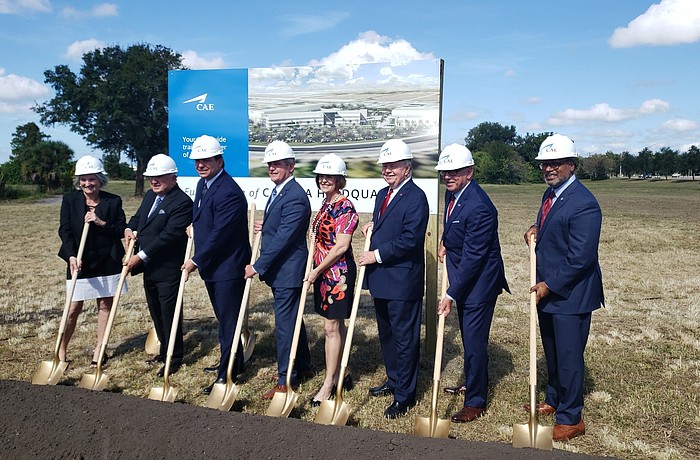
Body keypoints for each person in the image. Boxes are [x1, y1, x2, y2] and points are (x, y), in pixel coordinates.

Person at [523, 133, 604, 442]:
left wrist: (550, 284)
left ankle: (572, 418)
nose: (548, 169)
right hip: (548, 290)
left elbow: (581, 257)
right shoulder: (551, 194)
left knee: (569, 357)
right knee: (553, 351)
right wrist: (536, 229)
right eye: (544, 164)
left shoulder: (584, 203)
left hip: (571, 294)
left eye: (555, 163)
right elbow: (554, 228)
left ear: (572, 164)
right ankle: (554, 399)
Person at [434, 144, 510, 423]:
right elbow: (453, 224)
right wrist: (445, 240)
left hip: (480, 283)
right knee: (468, 337)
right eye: (444, 172)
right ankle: (471, 381)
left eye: (454, 171)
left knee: (475, 342)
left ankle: (476, 400)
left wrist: (450, 294)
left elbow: (474, 257)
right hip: (464, 275)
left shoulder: (480, 207)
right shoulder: (453, 193)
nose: (448, 176)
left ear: (469, 172)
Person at [358, 139, 429, 419]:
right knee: (387, 335)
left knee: (404, 339)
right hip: (382, 281)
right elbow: (390, 225)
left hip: (402, 282)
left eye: (394, 165)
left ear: (407, 168)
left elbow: (411, 239)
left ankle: (405, 395)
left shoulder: (416, 197)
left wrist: (376, 255)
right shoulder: (382, 195)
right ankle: (394, 380)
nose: (388, 170)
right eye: (385, 165)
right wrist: (374, 226)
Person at [244, 140, 314, 400]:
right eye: (270, 164)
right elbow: (281, 227)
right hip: (281, 271)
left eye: (278, 164)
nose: (272, 168)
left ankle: (286, 380)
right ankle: (304, 366)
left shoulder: (294, 195)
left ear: (291, 166)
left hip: (288, 271)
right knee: (293, 320)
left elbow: (286, 237)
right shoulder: (280, 191)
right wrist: (267, 226)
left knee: (284, 326)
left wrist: (257, 265)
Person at [182, 135, 251, 394]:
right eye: (197, 161)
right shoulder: (204, 184)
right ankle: (234, 361)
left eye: (206, 160)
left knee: (229, 322)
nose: (200, 165)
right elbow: (204, 218)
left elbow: (221, 233)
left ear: (219, 161)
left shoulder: (228, 192)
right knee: (224, 319)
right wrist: (195, 227)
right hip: (213, 266)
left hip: (228, 267)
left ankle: (226, 374)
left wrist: (196, 260)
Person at [124, 154, 193, 377]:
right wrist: (129, 228)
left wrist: (140, 256)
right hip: (150, 268)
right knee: (156, 311)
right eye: (151, 177)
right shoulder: (150, 196)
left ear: (173, 177)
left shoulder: (182, 203)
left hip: (168, 268)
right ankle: (164, 350)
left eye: (160, 177)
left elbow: (168, 236)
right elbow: (138, 218)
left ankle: (174, 356)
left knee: (169, 312)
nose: (154, 181)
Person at [57, 155, 127, 366]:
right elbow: (65, 230)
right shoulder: (70, 200)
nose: (87, 184)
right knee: (73, 308)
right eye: (83, 179)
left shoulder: (113, 201)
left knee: (105, 305)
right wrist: (71, 255)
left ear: (100, 180)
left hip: (107, 259)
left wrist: (100, 222)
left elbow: (120, 230)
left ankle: (99, 349)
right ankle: (61, 349)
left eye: (92, 179)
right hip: (80, 260)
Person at [305, 154, 358, 406]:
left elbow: (341, 246)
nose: (324, 180)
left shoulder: (345, 207)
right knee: (335, 326)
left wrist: (317, 270)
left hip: (338, 274)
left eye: (330, 176)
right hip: (322, 271)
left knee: (330, 328)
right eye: (321, 176)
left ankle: (328, 384)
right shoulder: (326, 203)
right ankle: (342, 372)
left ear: (339, 179)